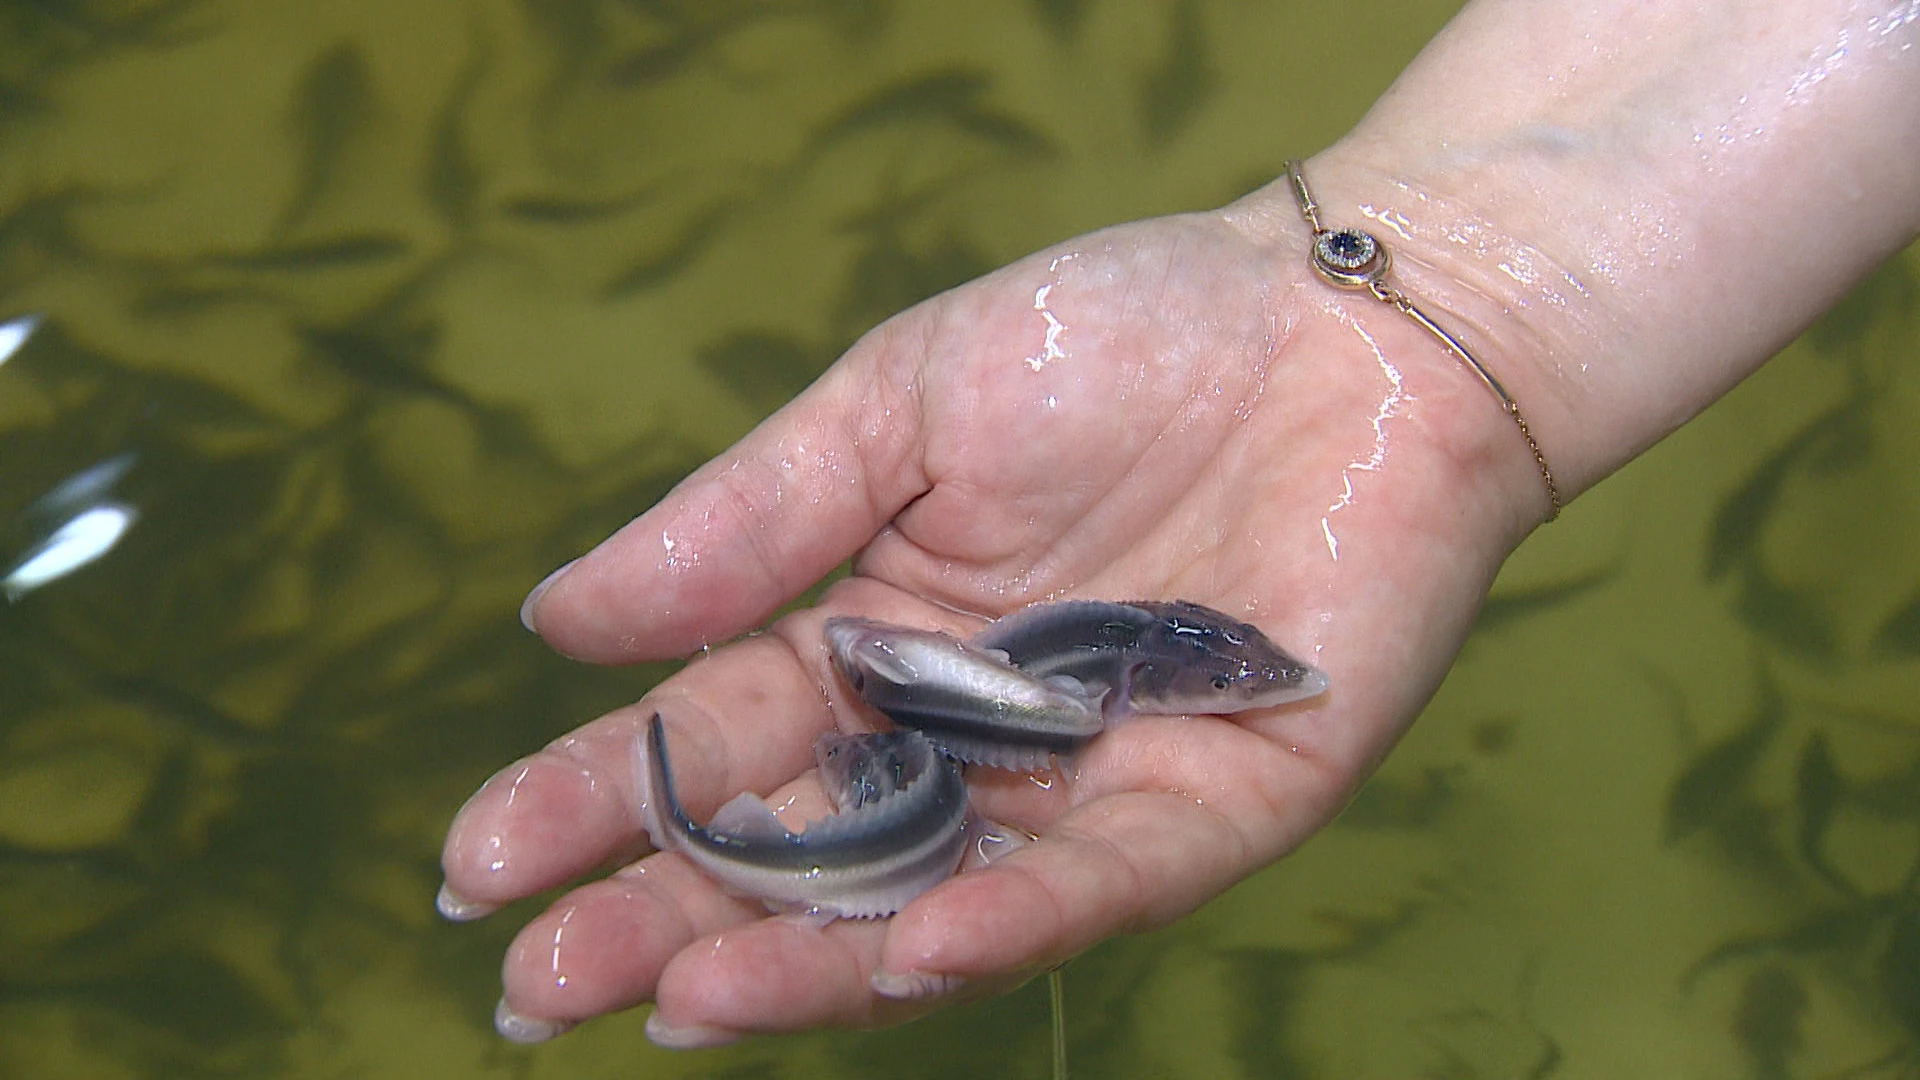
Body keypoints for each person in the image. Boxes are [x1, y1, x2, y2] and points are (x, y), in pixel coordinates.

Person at [439, 0, 1920, 1047]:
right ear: (1147, 676)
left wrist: (1447, 316)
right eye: (1224, 674)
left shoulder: (1083, 675)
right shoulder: (1060, 683)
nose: (1246, 678)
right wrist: (1434, 272)